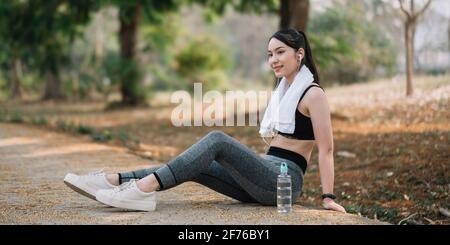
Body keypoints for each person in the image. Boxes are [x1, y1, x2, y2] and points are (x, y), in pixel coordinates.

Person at [64, 29, 346, 213]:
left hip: (283, 181)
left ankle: (142, 189)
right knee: (198, 165)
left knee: (217, 139)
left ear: (300, 54)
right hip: (262, 176)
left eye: (280, 52)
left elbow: (327, 149)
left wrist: (328, 197)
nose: (273, 59)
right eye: (270, 54)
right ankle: (114, 181)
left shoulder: (313, 95)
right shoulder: (282, 90)